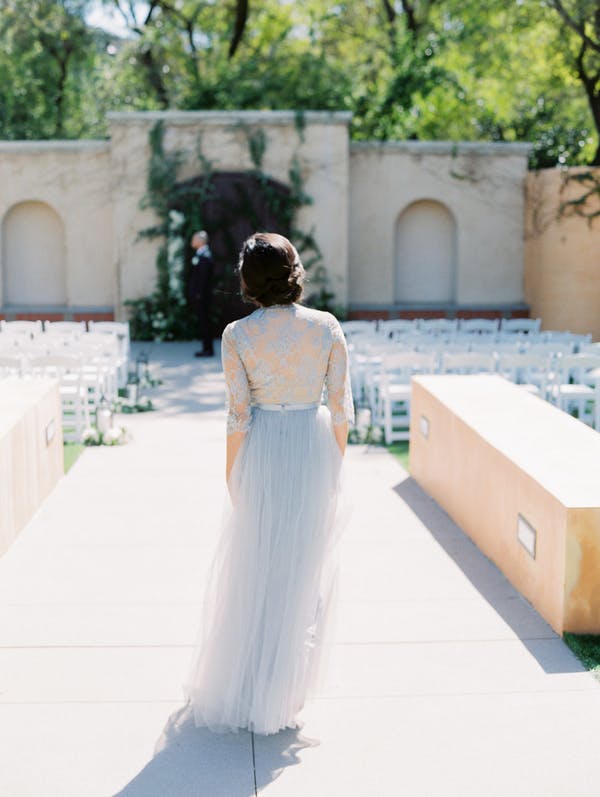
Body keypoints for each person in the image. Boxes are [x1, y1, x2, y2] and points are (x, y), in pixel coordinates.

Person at [181, 232, 355, 736]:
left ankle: (253, 680)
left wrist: (233, 475)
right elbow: (342, 410)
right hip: (310, 445)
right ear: (295, 273)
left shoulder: (237, 335)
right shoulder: (326, 327)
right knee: (303, 571)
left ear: (248, 281)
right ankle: (287, 692)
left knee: (257, 569)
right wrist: (331, 464)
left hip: (260, 450)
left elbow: (238, 416)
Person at [189, 230, 215, 357]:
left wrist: (199, 294)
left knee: (205, 322)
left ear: (200, 241)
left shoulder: (205, 256)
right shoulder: (200, 255)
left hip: (203, 297)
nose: (192, 241)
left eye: (194, 239)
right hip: (201, 296)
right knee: (203, 322)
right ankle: (206, 347)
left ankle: (208, 349)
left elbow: (203, 279)